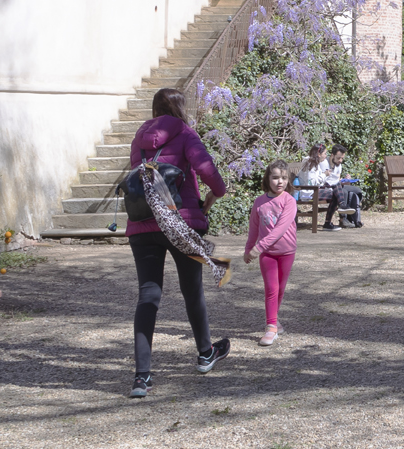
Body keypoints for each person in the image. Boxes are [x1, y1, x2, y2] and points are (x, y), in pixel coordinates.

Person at [126, 87, 231, 398]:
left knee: (148, 295)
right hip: (179, 221)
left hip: (143, 224)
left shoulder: (139, 138)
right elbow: (210, 174)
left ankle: (142, 377)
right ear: (180, 109)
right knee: (191, 291)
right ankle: (204, 353)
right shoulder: (185, 133)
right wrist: (215, 194)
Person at [243, 160, 299, 346]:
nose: (280, 182)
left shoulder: (289, 201)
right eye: (275, 177)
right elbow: (254, 228)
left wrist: (258, 247)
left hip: (286, 252)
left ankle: (274, 320)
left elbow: (280, 229)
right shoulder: (259, 202)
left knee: (280, 289)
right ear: (268, 178)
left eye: (284, 178)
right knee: (271, 289)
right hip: (267, 254)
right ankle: (271, 327)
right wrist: (248, 249)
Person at [322, 144, 365, 228]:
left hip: (337, 185)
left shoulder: (339, 165)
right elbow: (323, 180)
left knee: (357, 191)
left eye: (342, 158)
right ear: (332, 155)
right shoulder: (324, 164)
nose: (340, 160)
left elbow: (338, 179)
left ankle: (354, 219)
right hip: (328, 186)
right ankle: (343, 219)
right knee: (344, 192)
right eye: (338, 158)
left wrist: (345, 180)